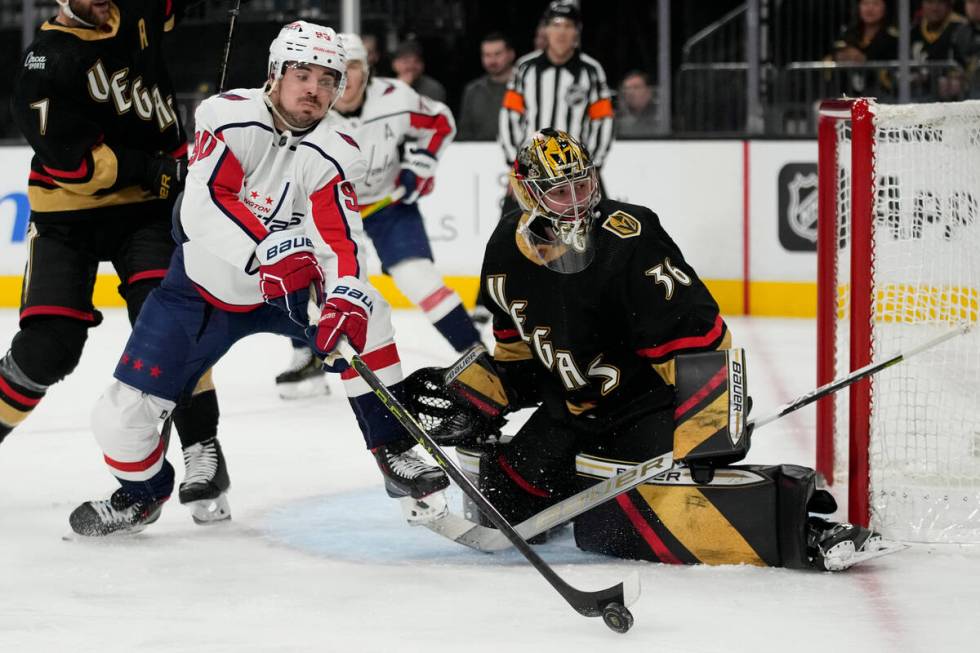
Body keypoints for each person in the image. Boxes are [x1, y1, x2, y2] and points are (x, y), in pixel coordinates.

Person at [403, 129, 887, 571]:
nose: (575, 204)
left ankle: (804, 529)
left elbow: (701, 340)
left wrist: (713, 422)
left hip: (650, 407)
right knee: (503, 503)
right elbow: (518, 357)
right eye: (559, 190)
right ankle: (584, 487)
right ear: (527, 192)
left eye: (581, 186)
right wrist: (474, 395)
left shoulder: (630, 240)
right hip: (574, 411)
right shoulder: (506, 250)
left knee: (628, 522)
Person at [67, 21, 448, 537]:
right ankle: (142, 494)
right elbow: (203, 209)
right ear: (275, 73)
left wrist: (344, 295)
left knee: (368, 315)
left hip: (285, 292)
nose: (315, 88)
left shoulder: (339, 148)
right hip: (197, 294)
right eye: (303, 73)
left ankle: (394, 450)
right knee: (118, 418)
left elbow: (340, 237)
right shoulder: (227, 116)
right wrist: (266, 250)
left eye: (329, 79)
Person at [2, 0, 227, 523]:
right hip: (66, 215)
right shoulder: (46, 62)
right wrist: (157, 170)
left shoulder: (136, 6)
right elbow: (76, 166)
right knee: (45, 350)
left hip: (146, 214)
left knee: (167, 321)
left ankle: (203, 452)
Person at [274, 33, 481, 400]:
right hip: (328, 209)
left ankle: (479, 360)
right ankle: (304, 356)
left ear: (367, 71)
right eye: (341, 70)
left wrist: (419, 166)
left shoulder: (397, 98)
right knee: (308, 281)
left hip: (387, 204)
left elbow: (440, 122)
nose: (349, 79)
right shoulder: (312, 110)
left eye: (355, 67)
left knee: (418, 277)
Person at [499, 1, 614, 173]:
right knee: (511, 201)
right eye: (556, 25)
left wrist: (594, 165)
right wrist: (515, 164)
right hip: (532, 167)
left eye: (568, 26)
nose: (561, 32)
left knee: (600, 201)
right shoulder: (525, 68)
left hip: (577, 169)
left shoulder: (591, 71)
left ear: (577, 31)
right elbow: (509, 117)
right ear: (546, 29)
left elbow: (603, 120)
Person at [829, 0, 899, 96]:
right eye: (865, 3)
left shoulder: (893, 36)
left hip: (884, 93)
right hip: (850, 93)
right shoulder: (850, 31)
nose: (869, 9)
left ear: (885, 8)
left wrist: (864, 58)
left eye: (876, 4)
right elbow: (837, 50)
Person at [457, 33, 516, 142]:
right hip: (481, 154)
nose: (492, 60)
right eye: (487, 55)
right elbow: (464, 133)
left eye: (497, 54)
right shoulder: (473, 90)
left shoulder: (524, 87)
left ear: (511, 54)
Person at [910, 0, 965, 98]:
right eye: (930, 2)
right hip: (919, 98)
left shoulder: (962, 29)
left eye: (940, 2)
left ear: (949, 5)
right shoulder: (913, 31)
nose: (935, 8)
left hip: (955, 101)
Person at [949, 0, 980, 98]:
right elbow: (956, 65)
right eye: (971, 2)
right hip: (968, 94)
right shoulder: (960, 33)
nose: (975, 7)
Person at [615, 70, 660, 139]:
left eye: (636, 87)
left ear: (649, 92)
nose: (630, 92)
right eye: (627, 88)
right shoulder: (616, 119)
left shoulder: (660, 117)